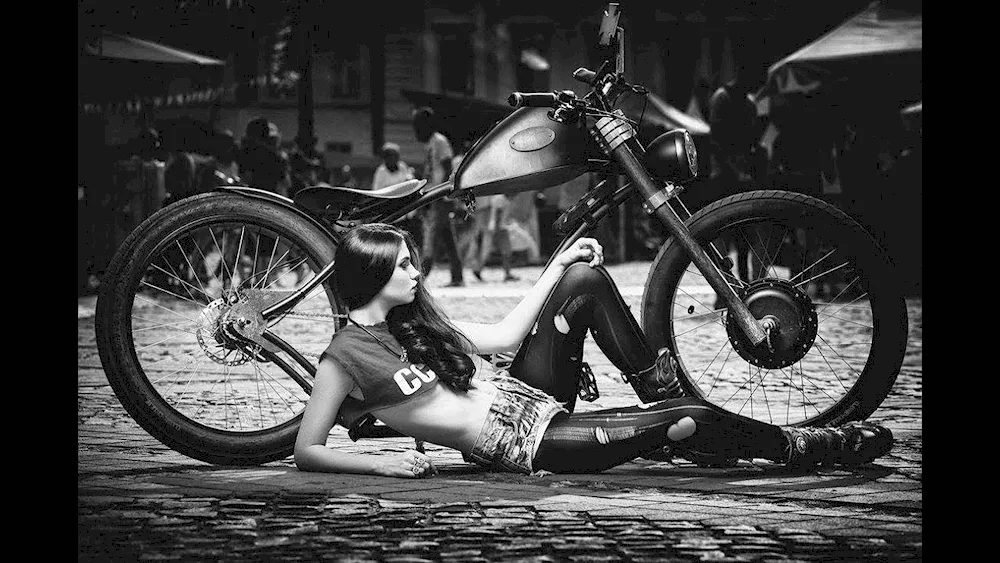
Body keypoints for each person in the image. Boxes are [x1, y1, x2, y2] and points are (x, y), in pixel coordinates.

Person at [294, 223, 893, 478]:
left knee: (581, 284)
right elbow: (307, 451)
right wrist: (381, 462)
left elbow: (503, 340)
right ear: (371, 272)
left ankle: (660, 393)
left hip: (530, 394)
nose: (415, 270)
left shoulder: (412, 321)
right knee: (685, 422)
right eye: (403, 264)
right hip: (523, 442)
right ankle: (808, 448)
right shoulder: (343, 358)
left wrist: (558, 265)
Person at [708, 70, 767, 308]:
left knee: (745, 236)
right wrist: (734, 170)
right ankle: (724, 288)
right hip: (725, 177)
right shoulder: (722, 98)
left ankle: (745, 285)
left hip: (742, 176)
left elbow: (752, 139)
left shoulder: (749, 102)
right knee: (722, 236)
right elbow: (717, 140)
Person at [412, 106, 464, 287]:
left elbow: (447, 166)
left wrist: (444, 191)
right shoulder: (431, 143)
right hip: (434, 195)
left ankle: (421, 277)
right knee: (447, 236)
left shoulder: (440, 141)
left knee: (431, 236)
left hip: (441, 196)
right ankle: (457, 276)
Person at [466, 194, 519, 282]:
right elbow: (495, 213)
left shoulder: (505, 199)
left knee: (504, 251)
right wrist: (494, 226)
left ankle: (506, 273)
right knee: (489, 249)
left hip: (500, 227)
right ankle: (477, 269)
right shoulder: (500, 198)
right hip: (497, 228)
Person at [238, 117, 290, 196]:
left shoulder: (246, 152)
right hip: (270, 198)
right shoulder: (275, 156)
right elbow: (286, 182)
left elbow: (245, 178)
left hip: (251, 196)